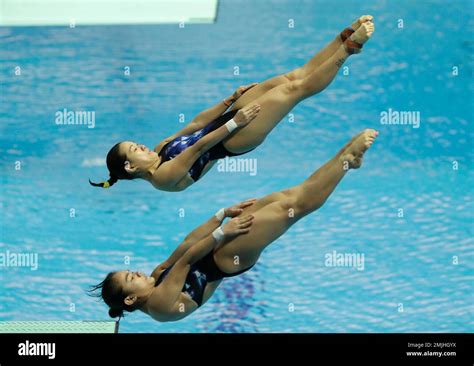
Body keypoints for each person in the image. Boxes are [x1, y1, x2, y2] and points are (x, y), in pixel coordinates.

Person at [89, 128, 378, 321]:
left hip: (220, 241)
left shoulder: (154, 278)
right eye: (131, 278)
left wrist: (221, 214)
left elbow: (187, 245)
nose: (136, 272)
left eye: (130, 271)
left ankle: (346, 160)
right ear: (130, 300)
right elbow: (188, 260)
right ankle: (346, 160)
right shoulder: (160, 306)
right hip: (226, 256)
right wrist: (222, 231)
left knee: (289, 197)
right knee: (294, 207)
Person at [89, 16, 375, 191]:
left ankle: (342, 38)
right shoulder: (162, 178)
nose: (139, 145)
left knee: (292, 76)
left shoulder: (162, 147)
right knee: (296, 90)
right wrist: (235, 122)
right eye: (133, 149)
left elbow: (196, 125)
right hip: (233, 140)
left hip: (226, 121)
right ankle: (349, 50)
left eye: (134, 143)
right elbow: (201, 146)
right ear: (129, 167)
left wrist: (228, 100)